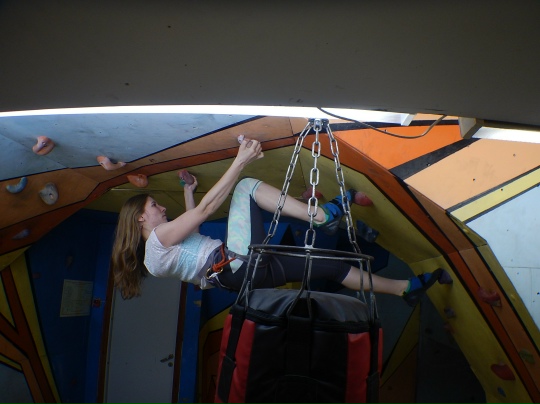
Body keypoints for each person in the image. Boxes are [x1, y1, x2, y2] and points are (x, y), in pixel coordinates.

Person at [111, 138, 448, 305]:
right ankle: (322, 215)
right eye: (154, 205)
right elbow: (203, 212)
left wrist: (189, 191)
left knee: (332, 268)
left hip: (238, 278)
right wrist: (241, 160)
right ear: (141, 217)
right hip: (237, 263)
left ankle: (404, 290)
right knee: (245, 187)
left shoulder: (155, 258)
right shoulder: (158, 240)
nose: (161, 208)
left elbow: (192, 231)